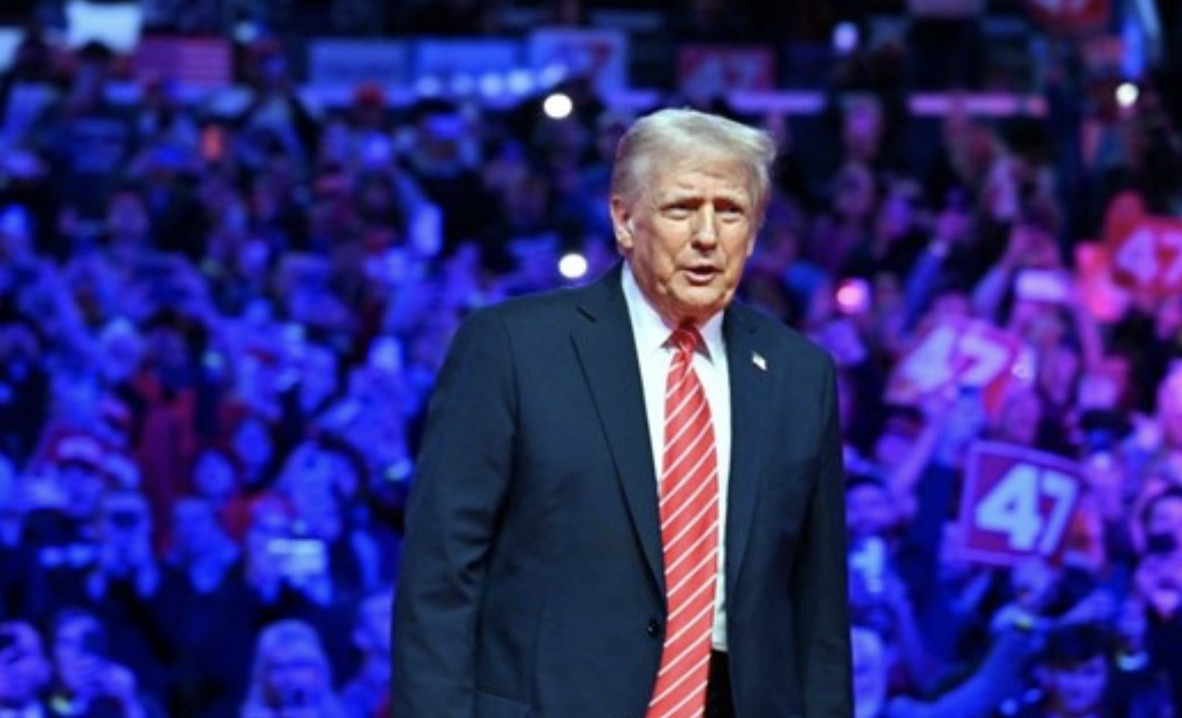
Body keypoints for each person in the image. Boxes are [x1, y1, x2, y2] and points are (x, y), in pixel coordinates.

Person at [393, 108, 853, 717]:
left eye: (731, 210)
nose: (708, 235)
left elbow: (817, 617)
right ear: (624, 220)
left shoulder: (801, 376)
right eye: (683, 208)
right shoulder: (512, 348)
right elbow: (439, 578)